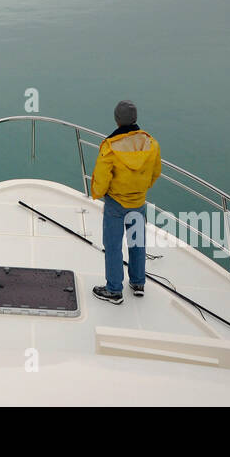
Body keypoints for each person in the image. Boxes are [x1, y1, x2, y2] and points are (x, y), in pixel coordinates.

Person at [90, 100, 161, 305]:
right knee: (137, 242)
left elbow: (102, 178)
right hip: (138, 201)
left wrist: (97, 194)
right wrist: (142, 189)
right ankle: (138, 283)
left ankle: (114, 289)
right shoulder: (151, 144)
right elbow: (156, 172)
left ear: (117, 120)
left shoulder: (110, 147)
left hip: (115, 204)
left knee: (113, 246)